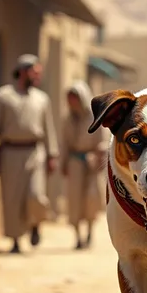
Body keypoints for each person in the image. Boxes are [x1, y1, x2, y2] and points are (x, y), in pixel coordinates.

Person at [0, 54, 59, 254]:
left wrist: (52, 155)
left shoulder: (42, 99)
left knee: (36, 194)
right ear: (24, 71)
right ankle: (15, 240)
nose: (38, 76)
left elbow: (48, 128)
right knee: (12, 199)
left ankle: (35, 225)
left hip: (35, 153)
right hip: (10, 153)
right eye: (35, 72)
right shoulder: (3, 96)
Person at [61, 81, 108, 250]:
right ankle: (77, 236)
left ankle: (89, 232)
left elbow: (102, 141)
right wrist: (63, 163)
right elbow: (65, 143)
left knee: (91, 199)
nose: (71, 102)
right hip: (74, 163)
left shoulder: (95, 117)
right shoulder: (68, 119)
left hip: (91, 163)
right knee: (74, 200)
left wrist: (98, 158)